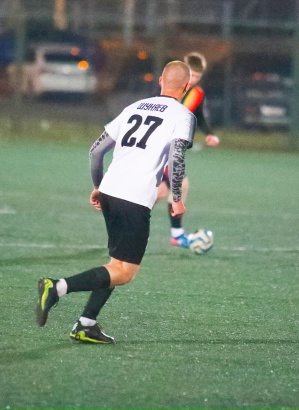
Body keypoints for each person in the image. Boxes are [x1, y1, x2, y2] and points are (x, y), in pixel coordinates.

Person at [36, 61, 196, 344]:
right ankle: (57, 287)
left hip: (111, 191)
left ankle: (86, 324)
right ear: (186, 86)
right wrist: (176, 197)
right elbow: (176, 156)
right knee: (125, 273)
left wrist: (99, 187)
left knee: (116, 264)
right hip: (135, 198)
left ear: (160, 80)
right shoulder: (183, 115)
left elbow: (96, 151)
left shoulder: (134, 107)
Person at [156, 51, 218, 249]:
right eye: (192, 74)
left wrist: (209, 133)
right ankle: (175, 234)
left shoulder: (197, 93)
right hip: (160, 147)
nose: (194, 79)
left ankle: (175, 235)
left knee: (165, 191)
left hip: (173, 148)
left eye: (198, 76)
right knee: (173, 187)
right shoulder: (171, 88)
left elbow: (199, 115)